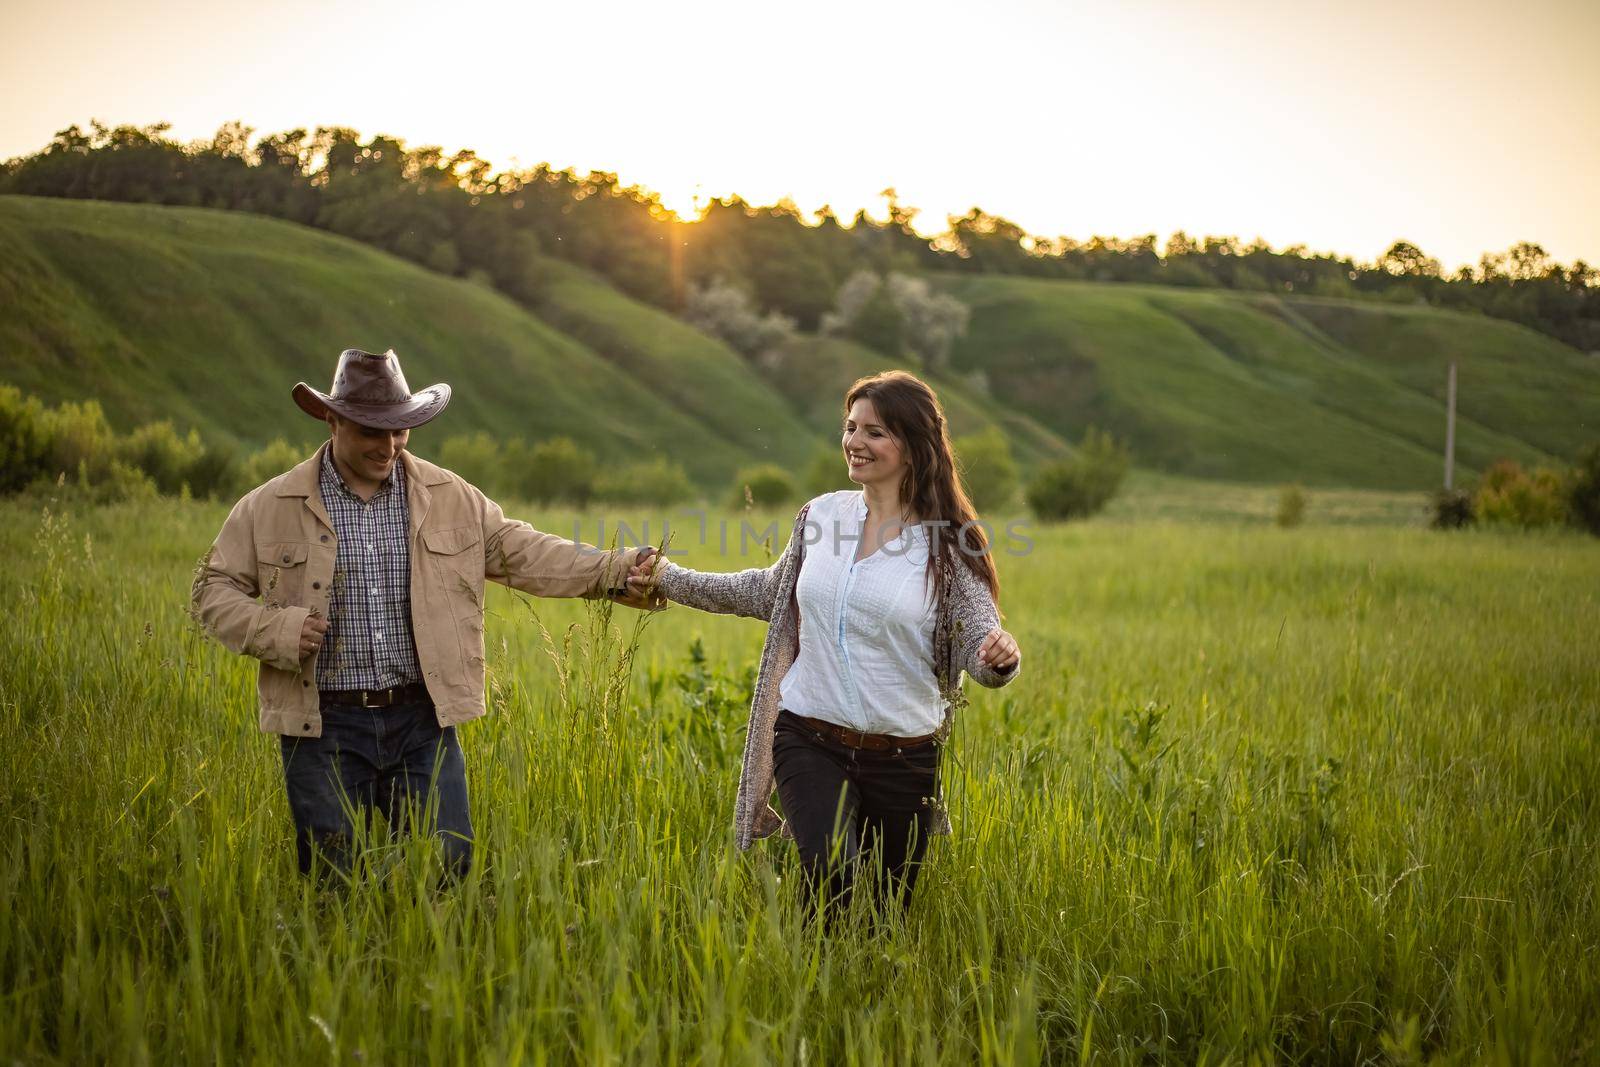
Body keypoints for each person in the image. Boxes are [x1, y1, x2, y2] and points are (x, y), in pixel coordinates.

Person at [191, 348, 656, 881]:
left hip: (422, 720)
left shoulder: (449, 495)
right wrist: (274, 630)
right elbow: (213, 588)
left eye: (400, 430)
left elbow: (524, 551)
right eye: (371, 430)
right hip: (321, 725)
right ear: (333, 419)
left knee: (448, 869)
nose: (388, 445)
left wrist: (617, 568)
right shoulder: (269, 505)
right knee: (334, 879)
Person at [628, 370, 1021, 921]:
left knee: (884, 915)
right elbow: (767, 592)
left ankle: (852, 997)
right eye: (851, 427)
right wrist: (669, 577)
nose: (855, 443)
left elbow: (978, 637)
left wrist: (997, 658)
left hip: (904, 757)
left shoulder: (950, 543)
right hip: (808, 735)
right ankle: (807, 986)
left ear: (913, 446)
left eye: (875, 432)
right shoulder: (821, 517)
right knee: (832, 875)